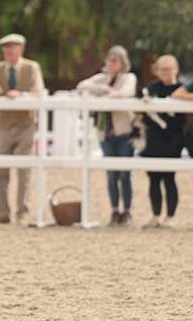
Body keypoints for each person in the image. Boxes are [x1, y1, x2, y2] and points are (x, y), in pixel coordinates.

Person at [0, 33, 45, 224]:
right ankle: (2, 211)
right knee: (1, 171)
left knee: (24, 170)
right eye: (5, 48)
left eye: (11, 47)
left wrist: (21, 95)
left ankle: (22, 212)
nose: (7, 51)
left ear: (20, 49)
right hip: (5, 124)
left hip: (26, 124)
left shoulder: (32, 68)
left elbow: (38, 92)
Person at [77, 46, 138, 226]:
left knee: (125, 174)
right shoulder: (102, 79)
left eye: (115, 61)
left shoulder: (128, 78)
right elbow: (82, 86)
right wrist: (104, 90)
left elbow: (125, 93)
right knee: (111, 174)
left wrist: (110, 95)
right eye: (109, 60)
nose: (110, 64)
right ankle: (114, 210)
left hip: (123, 132)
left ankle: (126, 211)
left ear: (122, 63)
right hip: (106, 132)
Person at [136, 55, 184, 227]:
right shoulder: (151, 88)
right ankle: (156, 215)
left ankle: (170, 217)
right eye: (162, 69)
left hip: (172, 140)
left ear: (176, 70)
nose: (165, 72)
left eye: (168, 68)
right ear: (157, 71)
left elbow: (179, 121)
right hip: (153, 140)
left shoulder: (181, 89)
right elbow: (142, 115)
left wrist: (159, 120)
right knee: (153, 179)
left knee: (169, 179)